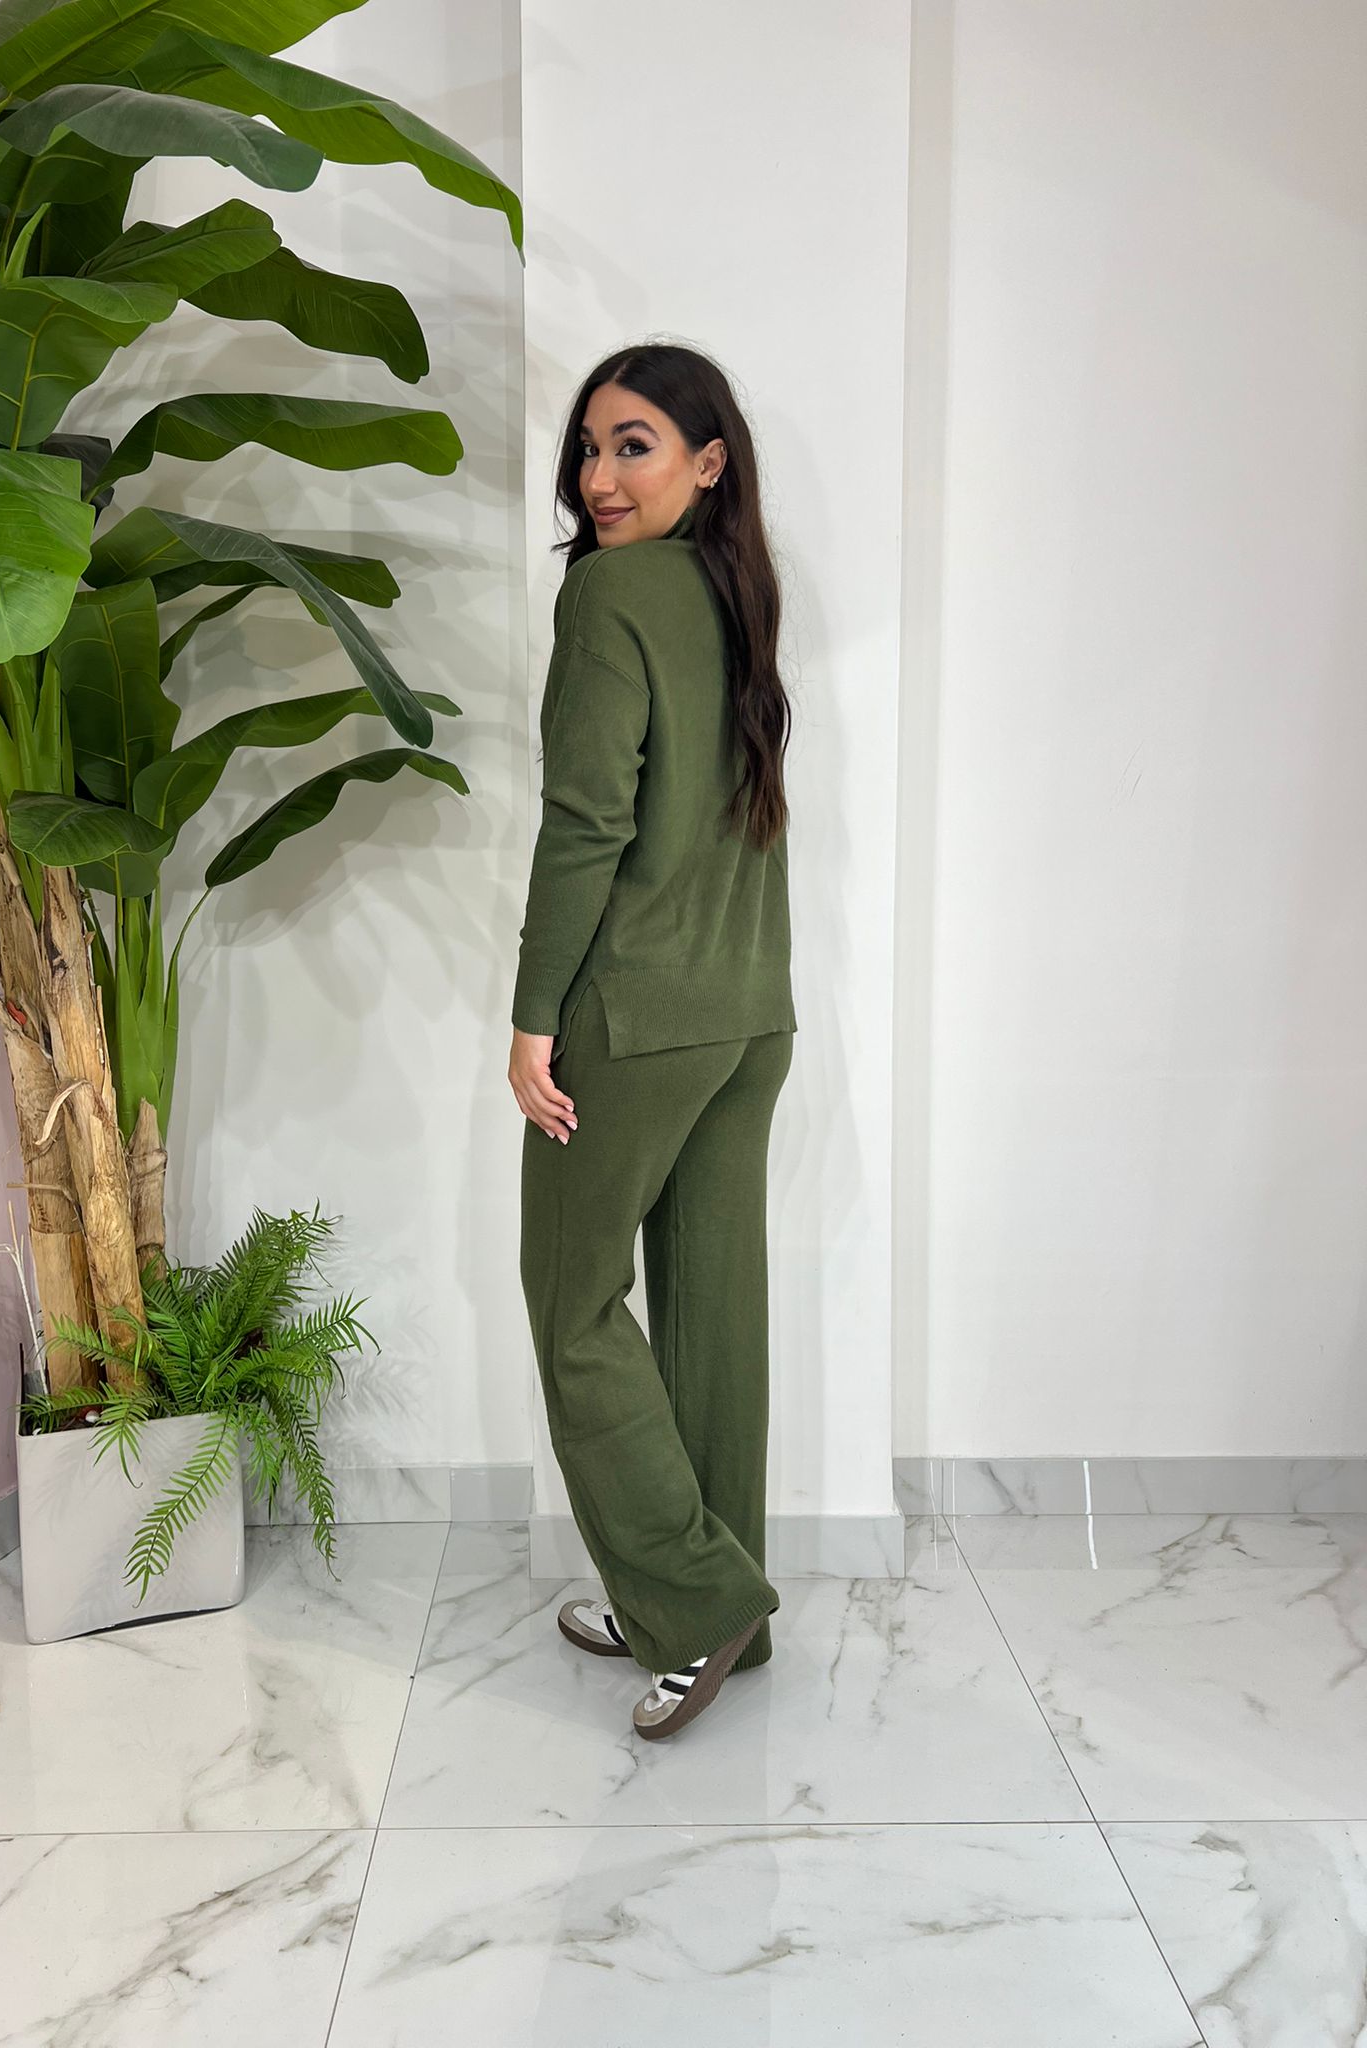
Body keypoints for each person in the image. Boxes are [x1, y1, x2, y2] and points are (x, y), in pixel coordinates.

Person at [508, 342, 797, 1742]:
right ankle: (718, 1612)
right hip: (748, 1012)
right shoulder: (737, 595)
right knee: (709, 1311)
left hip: (633, 1017)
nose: (600, 478)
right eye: (589, 448)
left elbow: (586, 824)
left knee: (571, 1304)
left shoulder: (613, 594)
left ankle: (697, 1600)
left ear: (708, 460)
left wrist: (531, 1017)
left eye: (634, 445)